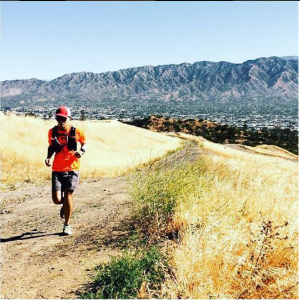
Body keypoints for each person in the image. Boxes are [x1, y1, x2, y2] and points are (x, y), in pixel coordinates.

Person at [45, 106, 86, 235]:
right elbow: (51, 146)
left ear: (69, 118)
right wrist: (48, 157)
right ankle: (66, 205)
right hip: (57, 169)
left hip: (72, 168)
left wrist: (81, 151)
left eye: (63, 118)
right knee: (56, 199)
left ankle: (67, 225)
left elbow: (84, 143)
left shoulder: (76, 131)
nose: (61, 121)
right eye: (58, 118)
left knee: (68, 195)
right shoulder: (52, 132)